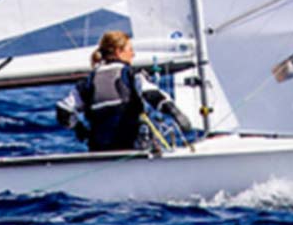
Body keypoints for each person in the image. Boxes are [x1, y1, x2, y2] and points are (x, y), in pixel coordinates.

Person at [57, 31, 193, 152]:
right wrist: (175, 113)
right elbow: (152, 94)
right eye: (130, 49)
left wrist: (79, 129)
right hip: (132, 149)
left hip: (99, 151)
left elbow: (63, 110)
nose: (133, 54)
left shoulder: (88, 82)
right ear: (118, 51)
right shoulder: (131, 75)